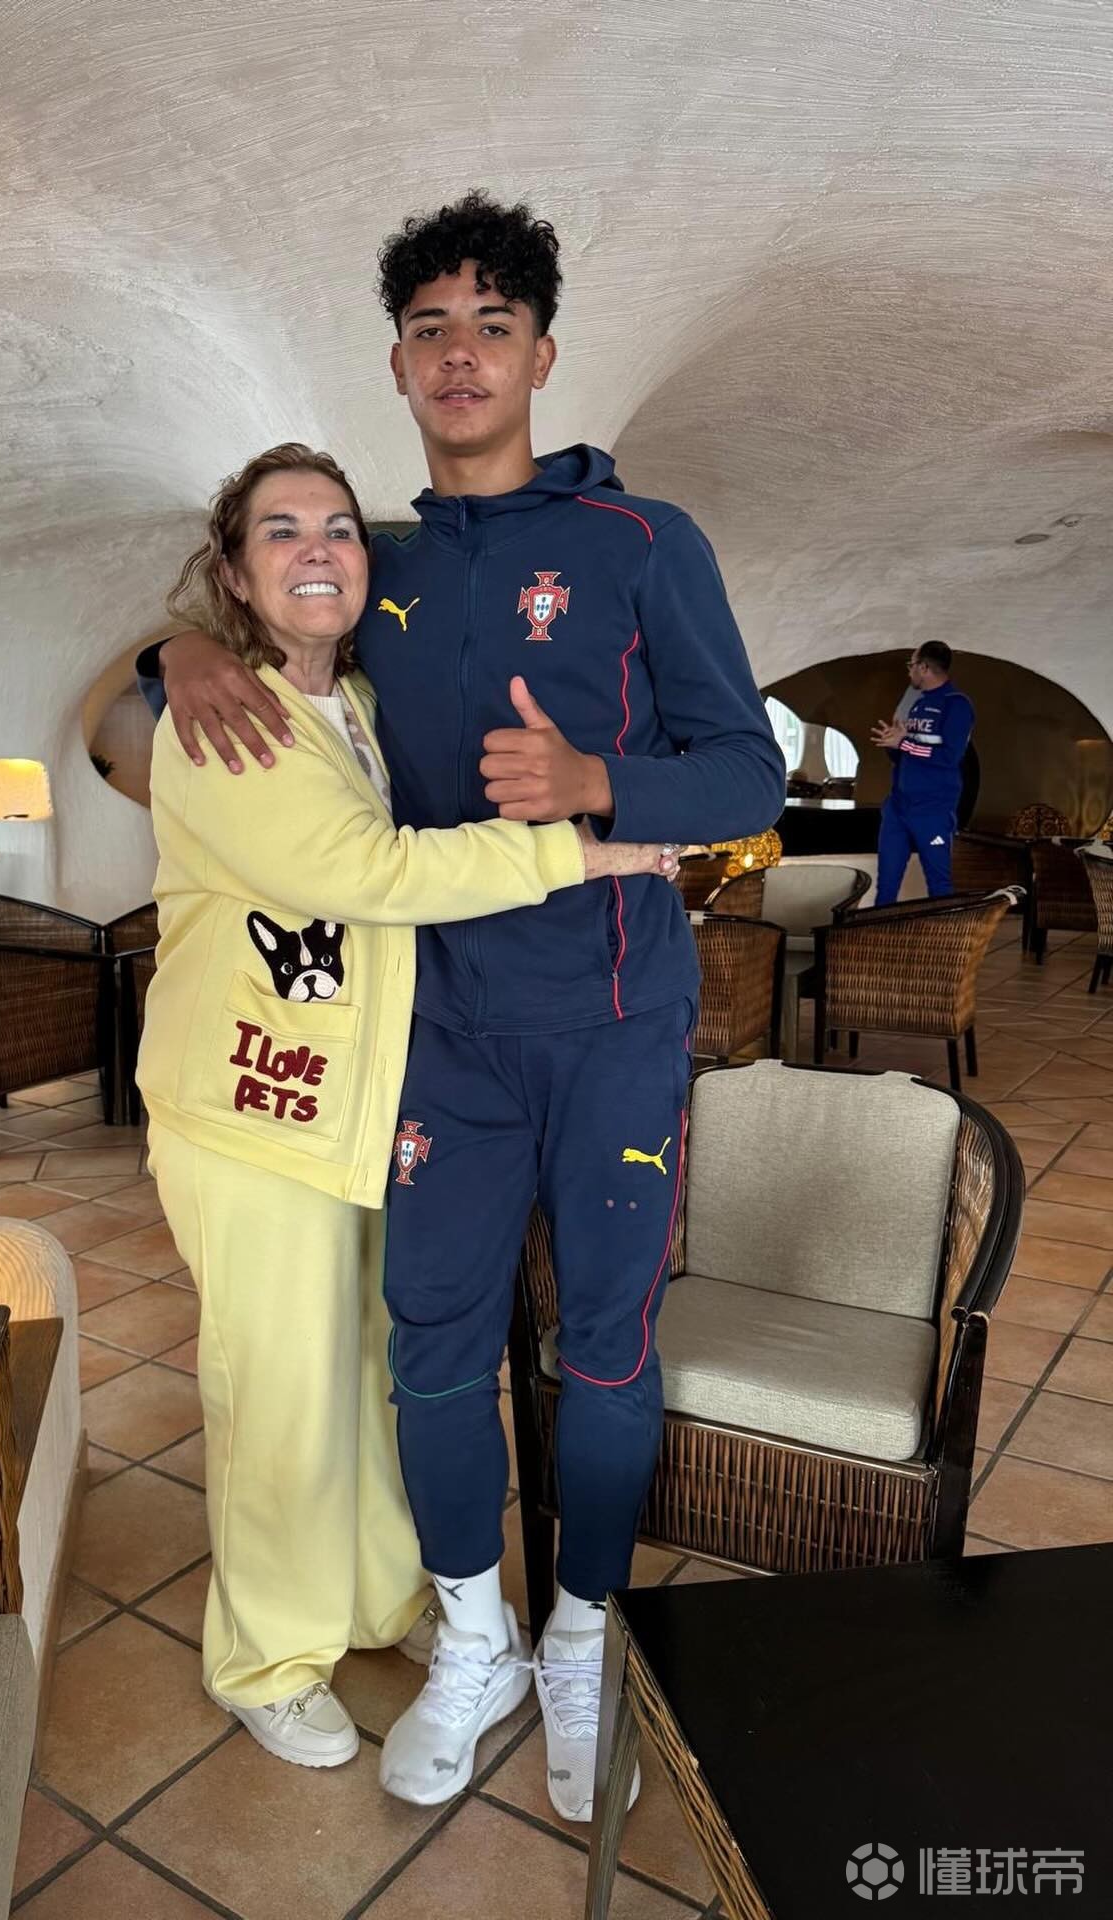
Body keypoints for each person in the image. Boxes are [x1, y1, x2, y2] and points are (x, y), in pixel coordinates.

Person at [150, 191, 785, 1820]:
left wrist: (598, 781)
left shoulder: (646, 543)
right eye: (429, 326)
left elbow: (746, 773)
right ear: (397, 361)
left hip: (618, 1018)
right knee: (429, 1346)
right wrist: (179, 652)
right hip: (436, 1040)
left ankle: (578, 1634)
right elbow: (260, 621)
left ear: (542, 355)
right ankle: (475, 1637)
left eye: (493, 324)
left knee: (607, 1346)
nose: (460, 352)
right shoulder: (383, 565)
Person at [135, 441, 678, 1772]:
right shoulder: (225, 726)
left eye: (336, 525)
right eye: (278, 530)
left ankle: (385, 1602)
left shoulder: (361, 702)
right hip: (247, 1113)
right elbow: (370, 871)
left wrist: (171, 646)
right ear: (233, 572)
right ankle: (267, 1658)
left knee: (374, 1378)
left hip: (363, 1102)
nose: (315, 548)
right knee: (277, 1396)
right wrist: (591, 852)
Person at [871, 642, 975, 905]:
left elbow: (950, 757)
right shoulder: (914, 703)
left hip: (933, 808)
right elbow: (903, 755)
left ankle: (942, 933)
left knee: (939, 883)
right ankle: (880, 931)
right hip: (898, 807)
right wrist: (891, 743)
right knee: (886, 885)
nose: (909, 671)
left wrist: (904, 744)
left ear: (924, 667)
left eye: (912, 665)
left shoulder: (956, 704)